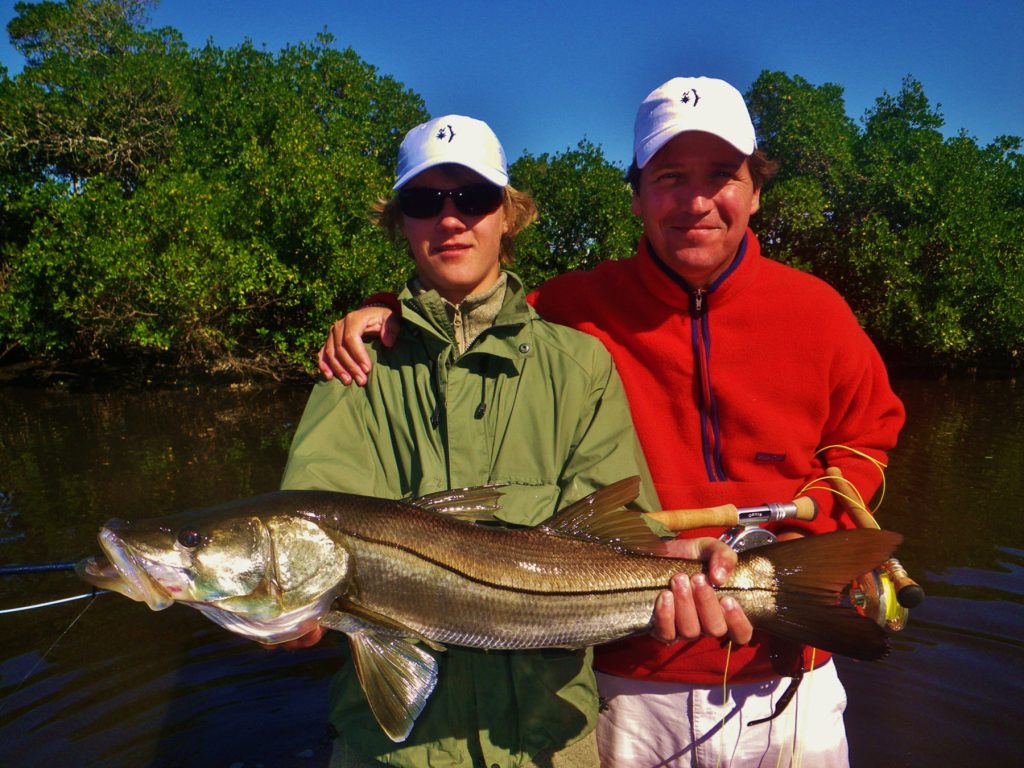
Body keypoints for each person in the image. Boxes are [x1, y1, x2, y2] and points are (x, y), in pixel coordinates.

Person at [316, 77, 906, 767]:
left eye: (722, 176)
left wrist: (818, 532)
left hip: (791, 676)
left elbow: (867, 437)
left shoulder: (820, 311)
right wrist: (385, 310)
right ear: (635, 195)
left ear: (755, 190)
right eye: (669, 178)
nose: (695, 201)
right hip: (631, 683)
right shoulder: (573, 309)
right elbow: (466, 305)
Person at [279, 113, 749, 768]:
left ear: (509, 214)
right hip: (391, 755)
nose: (450, 219)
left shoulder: (578, 364)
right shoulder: (353, 369)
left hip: (548, 744)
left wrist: (677, 563)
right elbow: (308, 542)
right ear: (401, 223)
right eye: (423, 201)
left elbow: (619, 537)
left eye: (473, 198)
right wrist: (287, 614)